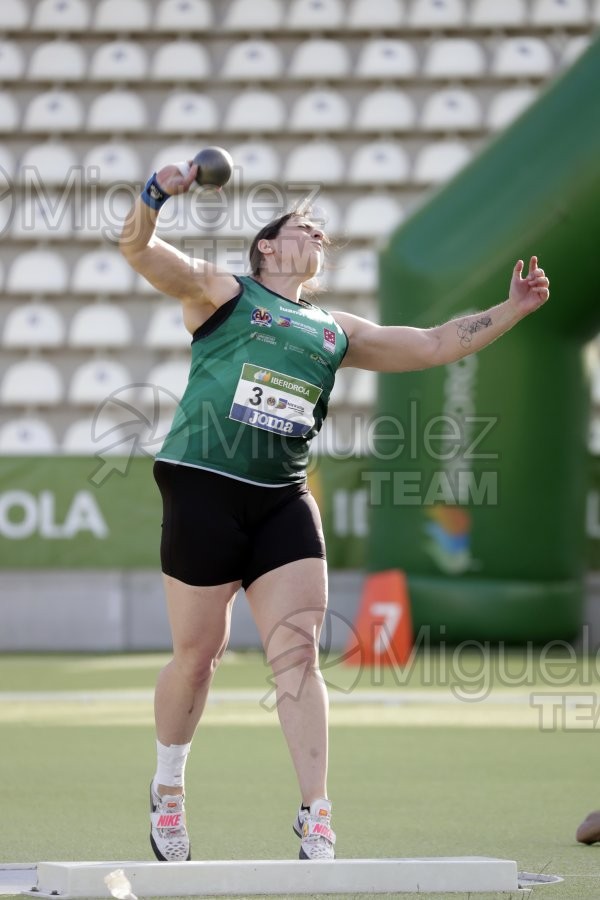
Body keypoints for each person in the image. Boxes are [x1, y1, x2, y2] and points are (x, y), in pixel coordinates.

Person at [119, 160, 550, 863]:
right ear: (266, 246)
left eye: (319, 226)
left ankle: (316, 813)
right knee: (199, 657)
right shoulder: (225, 293)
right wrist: (155, 195)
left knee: (297, 655)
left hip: (283, 499)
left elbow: (435, 343)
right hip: (203, 484)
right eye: (300, 223)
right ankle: (168, 790)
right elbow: (138, 250)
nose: (316, 228)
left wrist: (511, 310)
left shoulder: (334, 329)